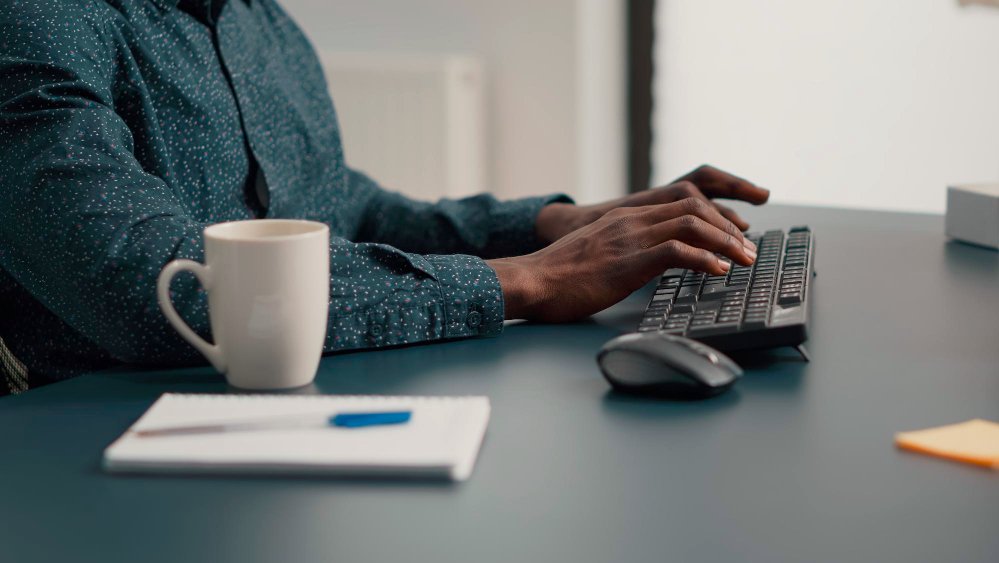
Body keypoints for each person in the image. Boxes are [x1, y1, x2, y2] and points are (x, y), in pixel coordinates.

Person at [0, 0, 768, 394]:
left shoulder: (258, 24)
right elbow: (150, 285)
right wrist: (531, 280)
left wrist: (550, 225)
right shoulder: (35, 24)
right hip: (90, 444)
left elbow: (339, 209)